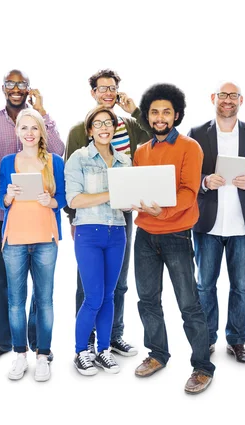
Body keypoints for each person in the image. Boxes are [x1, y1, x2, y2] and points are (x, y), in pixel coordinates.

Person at [132, 83, 215, 395]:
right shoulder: (141, 151)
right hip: (144, 237)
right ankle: (157, 354)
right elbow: (137, 187)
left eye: (166, 111)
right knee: (148, 299)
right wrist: (133, 200)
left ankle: (202, 367)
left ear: (176, 114)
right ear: (148, 116)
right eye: (154, 112)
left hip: (177, 235)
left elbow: (189, 191)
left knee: (189, 303)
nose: (160, 117)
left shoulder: (190, 147)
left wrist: (161, 213)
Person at [64, 69, 151, 357]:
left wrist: (136, 110)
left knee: (119, 280)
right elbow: (71, 177)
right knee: (87, 283)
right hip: (88, 215)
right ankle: (85, 341)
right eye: (102, 88)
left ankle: (113, 335)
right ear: (93, 93)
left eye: (112, 88)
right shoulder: (80, 130)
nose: (108, 93)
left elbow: (157, 138)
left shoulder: (127, 124)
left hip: (120, 216)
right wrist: (72, 217)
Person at [0, 69, 65, 364]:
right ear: (3, 87)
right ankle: (2, 341)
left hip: (41, 220)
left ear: (28, 89)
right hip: (4, 214)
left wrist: (42, 113)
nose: (16, 88)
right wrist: (7, 193)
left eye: (22, 84)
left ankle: (36, 342)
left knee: (40, 289)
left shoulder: (38, 121)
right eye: (11, 84)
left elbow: (58, 154)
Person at [188, 81, 245, 363]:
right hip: (208, 224)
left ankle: (237, 341)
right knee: (204, 286)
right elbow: (187, 178)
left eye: (233, 96)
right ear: (214, 98)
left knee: (242, 287)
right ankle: (207, 339)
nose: (228, 100)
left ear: (241, 100)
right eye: (223, 95)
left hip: (242, 225)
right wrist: (205, 182)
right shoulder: (197, 133)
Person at [0, 108, 66, 382]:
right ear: (17, 132)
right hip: (14, 239)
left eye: (34, 128)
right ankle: (20, 355)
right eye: (23, 128)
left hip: (45, 240)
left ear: (42, 132)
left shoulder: (54, 161)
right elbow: (2, 201)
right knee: (16, 302)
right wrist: (8, 197)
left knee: (44, 300)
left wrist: (51, 201)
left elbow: (62, 198)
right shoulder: (7, 162)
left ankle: (42, 354)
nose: (29, 133)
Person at [65, 106, 131, 376]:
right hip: (88, 233)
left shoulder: (125, 161)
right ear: (90, 130)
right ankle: (82, 351)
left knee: (110, 295)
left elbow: (126, 203)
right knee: (93, 296)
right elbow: (74, 200)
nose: (104, 128)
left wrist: (136, 198)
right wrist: (111, 192)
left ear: (115, 128)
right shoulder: (78, 159)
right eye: (98, 124)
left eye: (109, 123)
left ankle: (103, 350)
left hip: (117, 231)